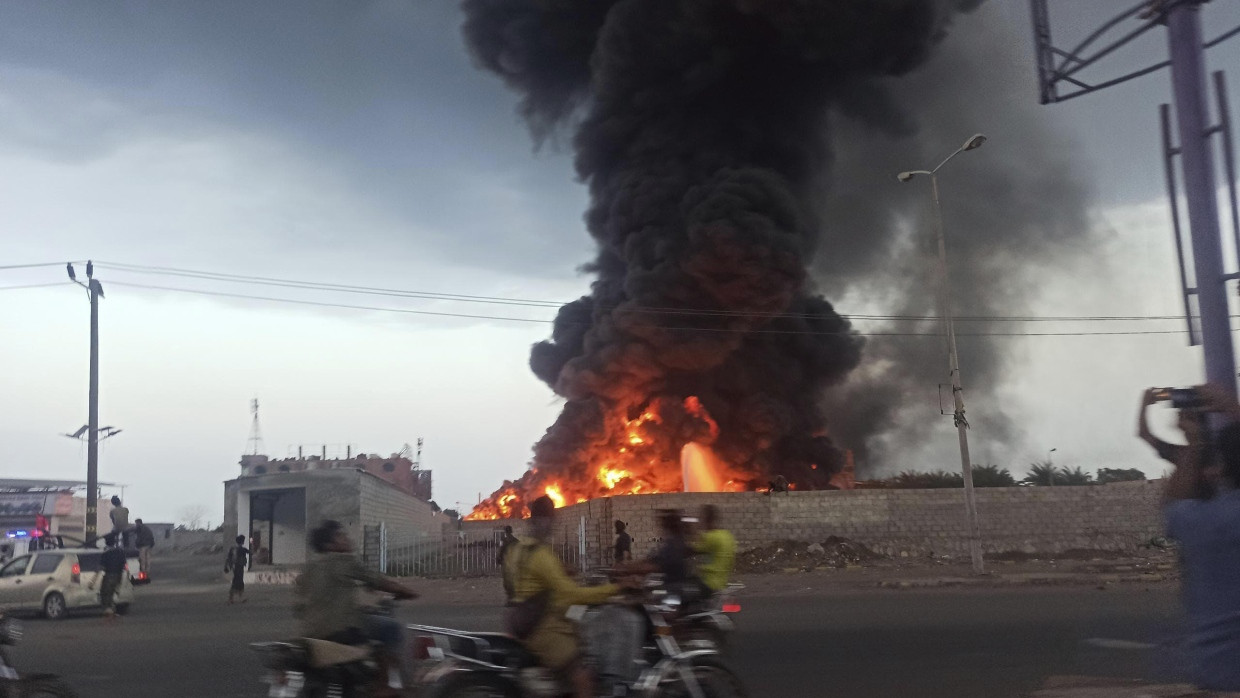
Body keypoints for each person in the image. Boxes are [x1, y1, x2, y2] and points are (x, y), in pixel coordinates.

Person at [504, 496, 629, 698]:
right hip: (540, 626)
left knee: (576, 623)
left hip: (517, 618)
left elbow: (518, 581)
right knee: (583, 675)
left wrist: (559, 572)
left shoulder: (517, 549)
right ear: (542, 521)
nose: (551, 525)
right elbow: (572, 594)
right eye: (550, 520)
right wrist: (615, 588)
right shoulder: (542, 555)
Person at [1161, 383, 1240, 691]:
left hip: (1216, 673)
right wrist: (1233, 409)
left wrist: (1193, 444)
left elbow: (1172, 506)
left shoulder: (1200, 521)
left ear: (1220, 469)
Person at [295, 520, 419, 692]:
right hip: (341, 630)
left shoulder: (307, 569)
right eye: (340, 535)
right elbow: (378, 581)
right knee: (392, 628)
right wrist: (407, 592)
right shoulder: (344, 561)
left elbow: (299, 607)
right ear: (329, 545)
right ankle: (386, 686)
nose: (346, 538)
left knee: (367, 623)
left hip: (310, 633)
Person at [692, 505, 736, 596]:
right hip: (722, 580)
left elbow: (694, 549)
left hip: (708, 581)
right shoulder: (727, 535)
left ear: (706, 519)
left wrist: (693, 531)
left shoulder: (711, 537)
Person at [87, 533, 127, 619]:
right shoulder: (120, 552)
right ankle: (111, 610)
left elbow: (100, 567)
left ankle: (108, 611)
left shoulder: (106, 554)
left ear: (106, 542)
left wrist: (93, 581)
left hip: (109, 576)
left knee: (105, 593)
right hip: (118, 576)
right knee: (111, 593)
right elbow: (123, 566)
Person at [225, 535, 250, 604]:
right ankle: (233, 598)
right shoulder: (242, 549)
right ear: (242, 541)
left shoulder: (232, 549)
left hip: (234, 567)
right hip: (239, 568)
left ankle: (235, 598)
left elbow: (228, 558)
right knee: (238, 582)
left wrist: (226, 566)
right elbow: (250, 552)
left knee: (237, 582)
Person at [497, 525, 519, 600]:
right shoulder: (516, 540)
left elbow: (500, 549)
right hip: (513, 562)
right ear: (511, 531)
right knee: (512, 579)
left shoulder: (503, 540)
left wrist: (498, 558)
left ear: (505, 532)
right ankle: (514, 596)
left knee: (506, 580)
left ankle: (510, 597)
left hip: (506, 562)